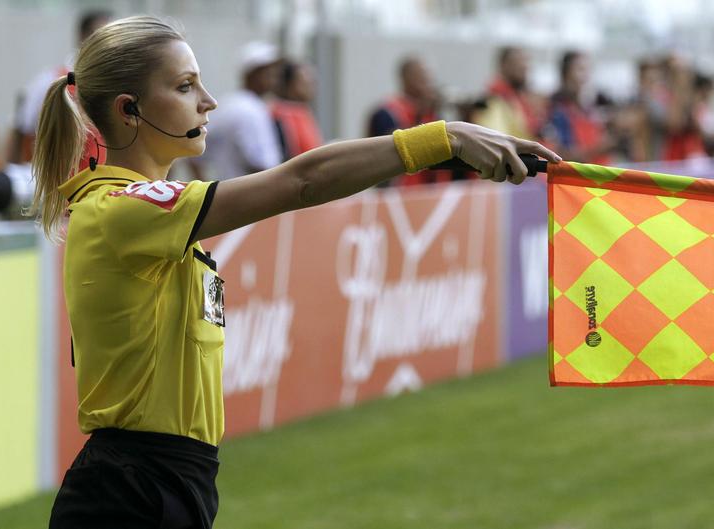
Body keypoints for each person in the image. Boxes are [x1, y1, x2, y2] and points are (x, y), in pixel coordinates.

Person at [29, 16, 558, 528]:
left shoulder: (141, 211)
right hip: (132, 488)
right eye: (186, 87)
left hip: (169, 480)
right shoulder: (120, 209)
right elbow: (303, 181)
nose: (209, 101)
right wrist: (443, 139)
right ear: (130, 110)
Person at [8, 9, 111, 166]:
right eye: (101, 36)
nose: (108, 44)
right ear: (82, 36)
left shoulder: (118, 85)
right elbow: (20, 129)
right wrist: (13, 173)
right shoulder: (50, 80)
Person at [195, 41, 283, 180]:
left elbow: (194, 157)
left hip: (231, 194)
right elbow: (260, 163)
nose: (274, 77)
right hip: (252, 196)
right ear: (252, 74)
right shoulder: (248, 109)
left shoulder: (233, 104)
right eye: (268, 71)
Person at [367, 56, 446, 185]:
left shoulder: (432, 111)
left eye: (428, 76)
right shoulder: (386, 112)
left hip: (430, 190)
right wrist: (420, 115)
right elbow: (389, 151)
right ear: (405, 77)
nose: (428, 81)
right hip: (399, 193)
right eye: (421, 76)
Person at [544, 50, 619, 165]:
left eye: (588, 70)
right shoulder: (555, 108)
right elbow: (558, 155)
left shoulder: (591, 105)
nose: (586, 76)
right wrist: (599, 148)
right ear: (565, 73)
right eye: (580, 69)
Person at [270, 59, 323, 160]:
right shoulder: (282, 113)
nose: (310, 87)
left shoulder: (301, 111)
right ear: (289, 84)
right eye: (304, 82)